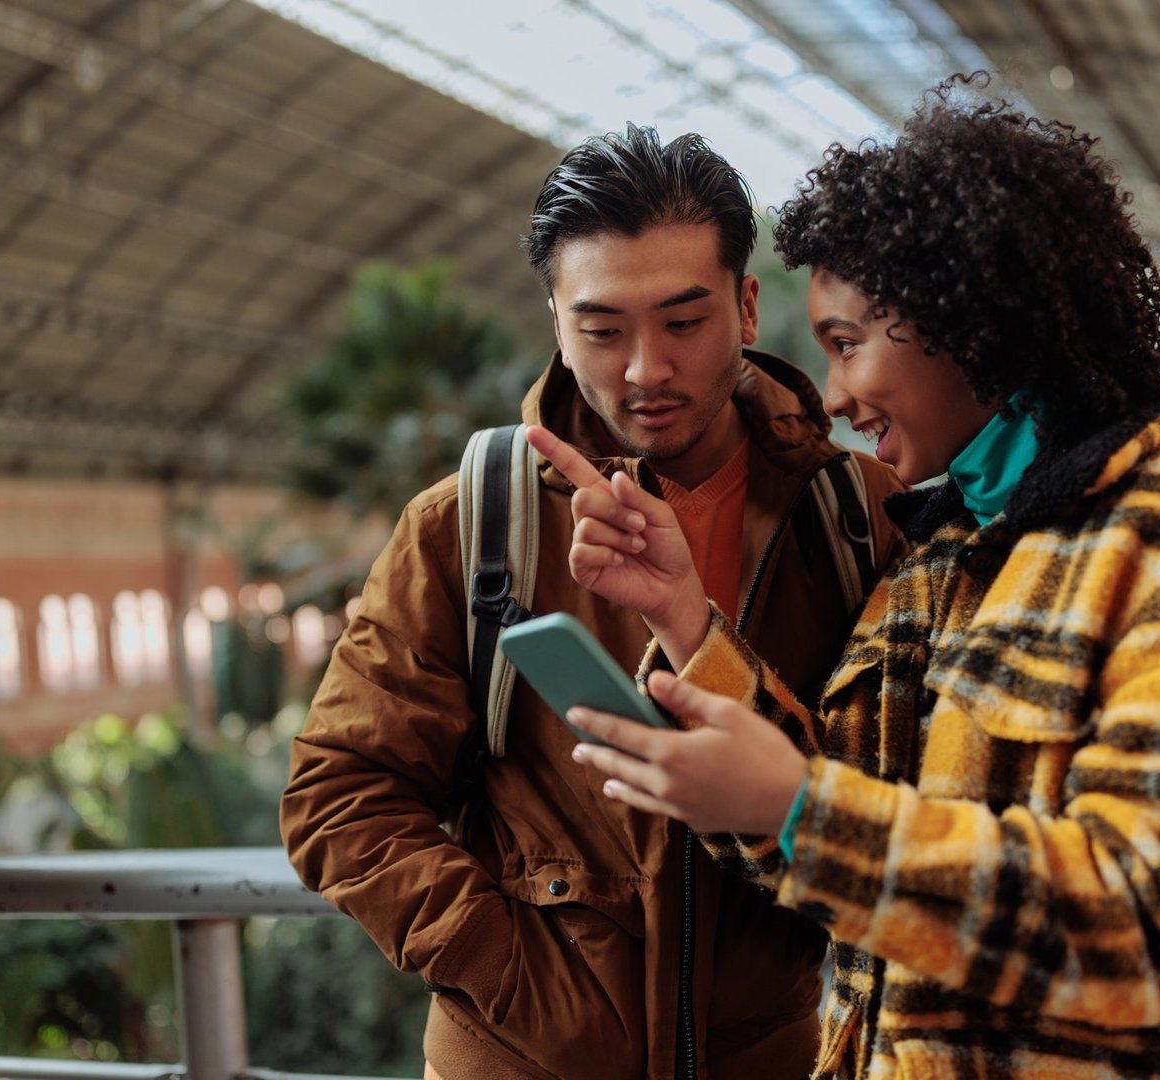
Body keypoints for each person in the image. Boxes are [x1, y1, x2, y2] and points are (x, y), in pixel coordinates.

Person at [535, 76, 1160, 1078]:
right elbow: (840, 832)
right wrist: (686, 624)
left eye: (845, 344)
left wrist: (800, 810)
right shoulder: (944, 558)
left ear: (970, 321)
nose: (829, 397)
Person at [279, 124, 906, 1080]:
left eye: (683, 322)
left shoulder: (857, 517)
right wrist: (526, 985)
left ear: (746, 306)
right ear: (555, 322)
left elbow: (902, 803)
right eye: (602, 329)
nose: (645, 369)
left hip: (772, 1060)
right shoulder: (475, 521)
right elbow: (338, 794)